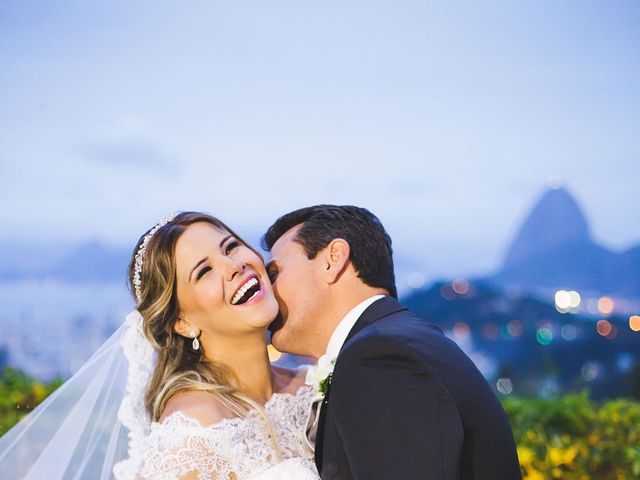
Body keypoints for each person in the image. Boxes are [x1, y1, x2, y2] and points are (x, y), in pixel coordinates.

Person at [0, 212, 320, 480]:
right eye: (204, 271)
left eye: (231, 247)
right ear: (182, 323)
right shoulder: (191, 436)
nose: (233, 266)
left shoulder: (312, 383)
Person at [262, 205, 522, 480]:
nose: (268, 290)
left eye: (275, 273)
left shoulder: (378, 358)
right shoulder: (399, 340)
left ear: (332, 259)